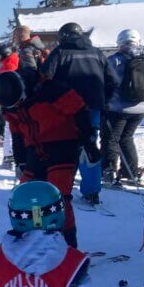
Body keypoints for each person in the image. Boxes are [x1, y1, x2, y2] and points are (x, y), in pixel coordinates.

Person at [0, 69, 96, 248]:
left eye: (19, 102)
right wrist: (21, 161)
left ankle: (68, 244)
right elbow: (16, 132)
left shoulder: (51, 90)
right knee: (26, 195)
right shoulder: (9, 105)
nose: (17, 107)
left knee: (57, 195)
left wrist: (89, 143)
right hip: (35, 149)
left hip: (63, 145)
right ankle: (32, 239)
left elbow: (79, 110)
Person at [41, 22, 119, 208]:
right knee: (90, 146)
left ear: (64, 36)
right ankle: (92, 192)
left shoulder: (60, 52)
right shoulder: (97, 53)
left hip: (66, 107)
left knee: (65, 147)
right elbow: (113, 81)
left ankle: (60, 189)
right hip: (93, 108)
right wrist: (103, 100)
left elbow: (44, 77)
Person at [103, 29, 144, 186]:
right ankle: (129, 172)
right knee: (127, 138)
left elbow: (107, 82)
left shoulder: (115, 60)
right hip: (140, 108)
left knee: (111, 139)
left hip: (118, 108)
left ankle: (108, 171)